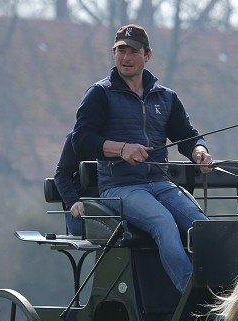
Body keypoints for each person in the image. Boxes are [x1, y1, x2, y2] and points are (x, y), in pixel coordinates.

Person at [71, 23, 213, 294]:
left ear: (147, 56)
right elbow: (81, 140)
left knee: (204, 228)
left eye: (133, 51)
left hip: (160, 184)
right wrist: (121, 148)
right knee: (163, 223)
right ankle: (192, 295)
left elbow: (188, 135)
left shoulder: (166, 97)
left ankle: (222, 291)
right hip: (120, 187)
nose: (125, 57)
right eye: (120, 50)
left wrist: (199, 151)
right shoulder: (100, 94)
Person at [53, 132, 95, 236]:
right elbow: (62, 174)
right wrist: (73, 202)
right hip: (84, 209)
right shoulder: (78, 137)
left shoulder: (127, 137)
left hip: (118, 204)